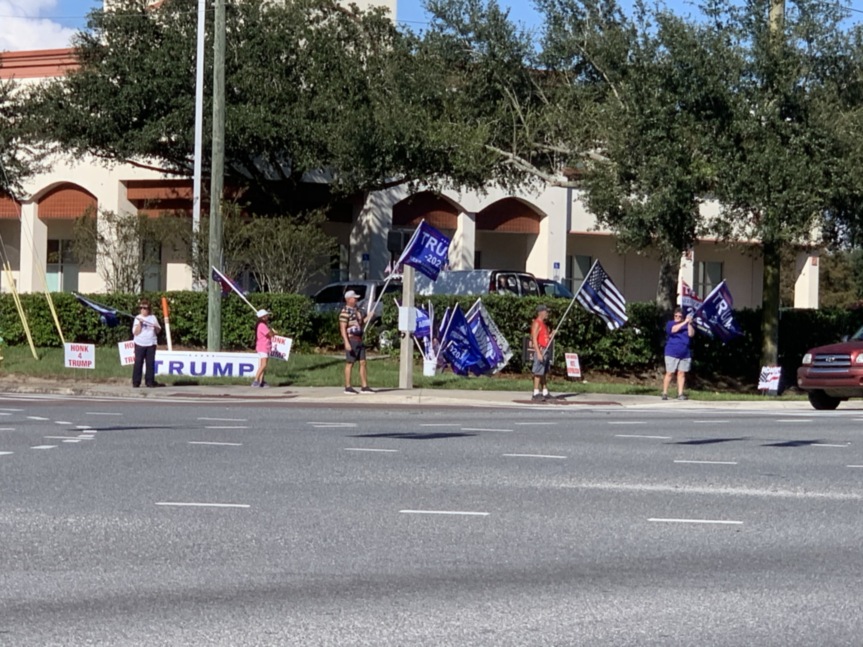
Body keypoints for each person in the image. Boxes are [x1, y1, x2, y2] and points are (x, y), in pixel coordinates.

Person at [339, 290, 372, 394]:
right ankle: (348, 386)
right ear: (348, 299)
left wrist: (369, 317)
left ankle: (364, 386)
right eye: (354, 298)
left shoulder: (356, 311)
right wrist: (346, 342)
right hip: (351, 339)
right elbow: (343, 328)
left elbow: (361, 323)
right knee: (350, 363)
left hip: (359, 339)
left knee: (363, 362)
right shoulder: (344, 312)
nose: (356, 299)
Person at [662, 307, 695, 400]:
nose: (677, 317)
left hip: (685, 353)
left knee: (681, 373)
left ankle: (680, 394)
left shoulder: (686, 325)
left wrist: (689, 323)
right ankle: (664, 392)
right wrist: (684, 322)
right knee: (670, 372)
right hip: (672, 352)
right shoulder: (670, 324)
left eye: (680, 316)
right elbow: (673, 330)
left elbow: (691, 334)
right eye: (676, 316)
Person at [132, 299, 162, 388]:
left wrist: (155, 327)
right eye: (141, 308)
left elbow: (158, 330)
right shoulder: (137, 318)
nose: (143, 310)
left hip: (150, 344)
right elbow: (135, 332)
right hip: (140, 344)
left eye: (145, 308)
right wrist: (140, 324)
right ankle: (136, 382)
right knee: (138, 363)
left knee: (150, 363)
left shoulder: (153, 318)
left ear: (148, 309)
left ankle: (149, 382)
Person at [530, 304, 552, 401]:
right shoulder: (537, 323)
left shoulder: (543, 324)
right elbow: (534, 338)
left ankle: (545, 391)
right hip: (541, 350)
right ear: (541, 312)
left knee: (543, 371)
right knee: (538, 372)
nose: (547, 314)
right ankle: (535, 392)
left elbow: (545, 338)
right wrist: (538, 353)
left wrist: (551, 335)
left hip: (545, 349)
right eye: (546, 312)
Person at [252, 309, 274, 388]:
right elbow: (270, 334)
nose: (268, 316)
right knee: (263, 365)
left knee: (263, 365)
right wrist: (273, 332)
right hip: (263, 347)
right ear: (263, 317)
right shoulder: (262, 325)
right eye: (266, 315)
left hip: (265, 347)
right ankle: (255, 380)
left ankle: (261, 381)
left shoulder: (263, 324)